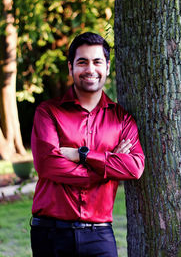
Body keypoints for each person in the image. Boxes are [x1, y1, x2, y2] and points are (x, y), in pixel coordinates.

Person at [30, 32, 145, 257]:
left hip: (99, 235)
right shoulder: (48, 112)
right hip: (50, 233)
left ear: (108, 67)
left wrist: (83, 155)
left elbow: (134, 167)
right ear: (71, 67)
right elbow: (49, 165)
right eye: (82, 62)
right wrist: (109, 167)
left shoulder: (122, 119)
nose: (90, 69)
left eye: (97, 61)